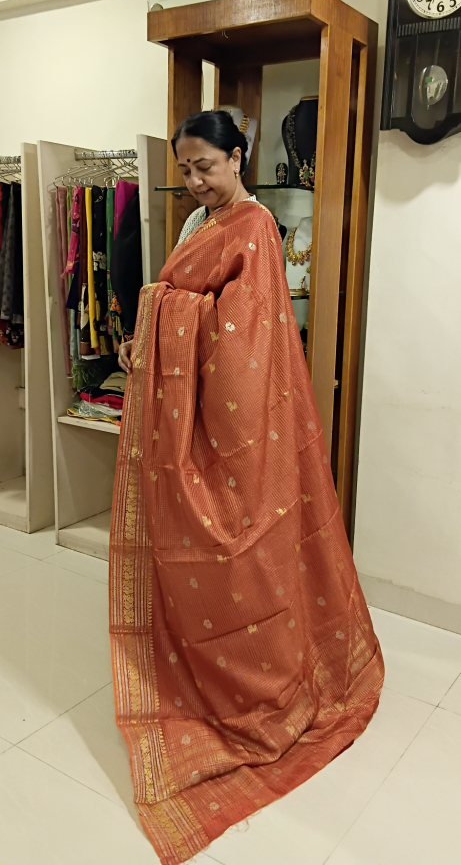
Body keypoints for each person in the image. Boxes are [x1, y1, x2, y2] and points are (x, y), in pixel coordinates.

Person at [110, 110, 384, 865]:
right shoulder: (199, 220)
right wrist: (149, 326)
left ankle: (259, 690)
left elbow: (245, 337)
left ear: (239, 156)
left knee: (244, 550)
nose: (195, 180)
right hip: (185, 408)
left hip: (235, 420)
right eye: (186, 169)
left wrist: (161, 309)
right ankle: (203, 675)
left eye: (206, 165)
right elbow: (180, 293)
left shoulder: (256, 226)